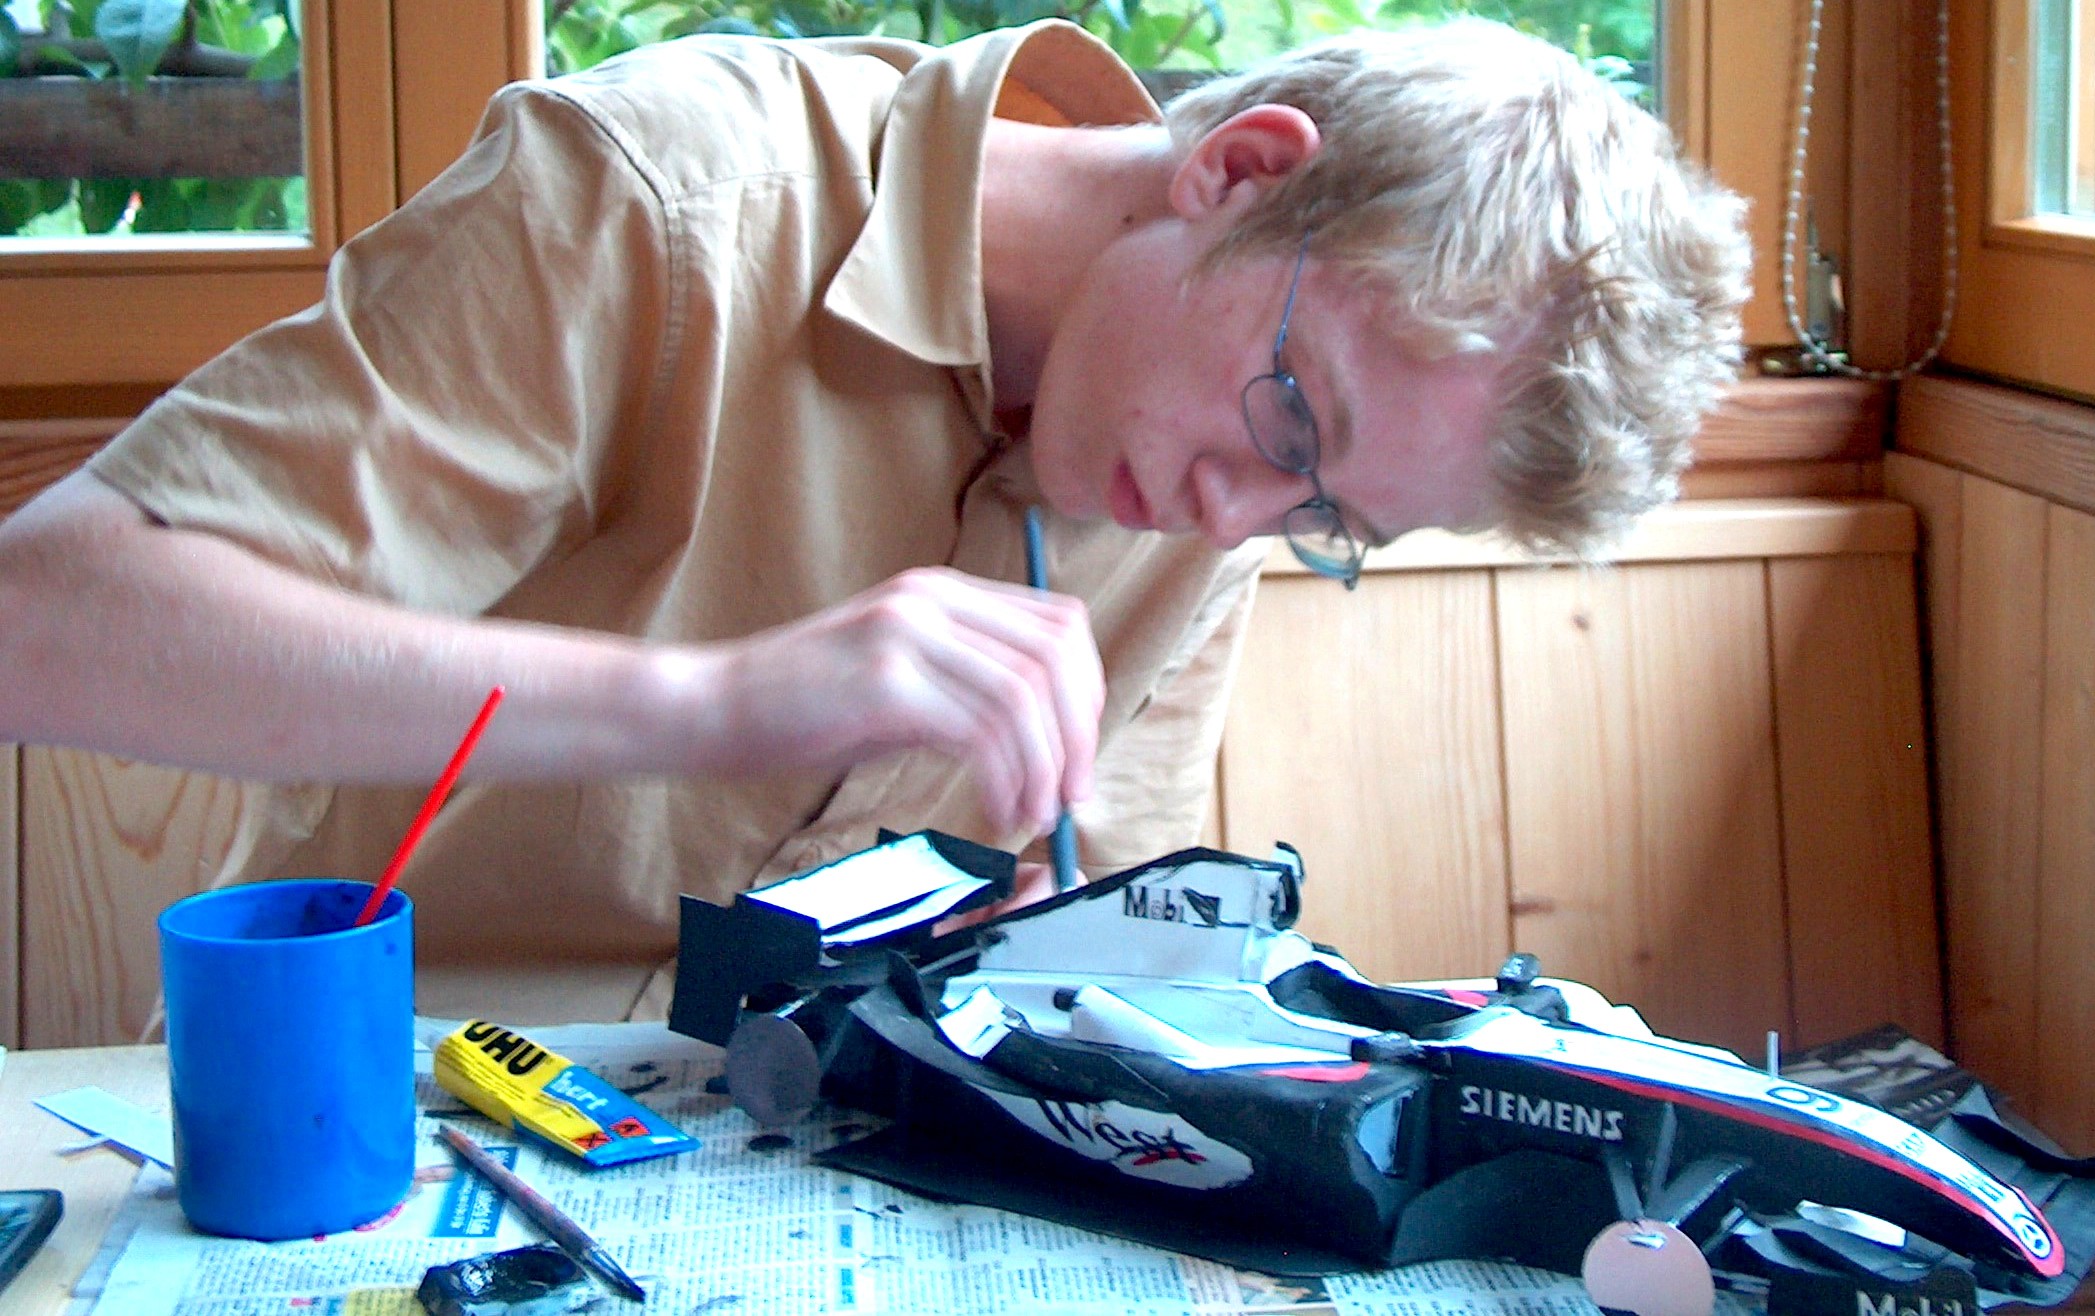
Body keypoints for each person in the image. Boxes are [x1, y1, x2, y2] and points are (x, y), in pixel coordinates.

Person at [0, 17, 1749, 1022]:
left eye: (1330, 516)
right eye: (1295, 419)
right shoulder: (663, 203)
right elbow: (43, 618)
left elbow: (1088, 940)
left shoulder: (1205, 489)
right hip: (385, 1127)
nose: (1236, 513)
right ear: (1236, 174)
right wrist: (718, 703)